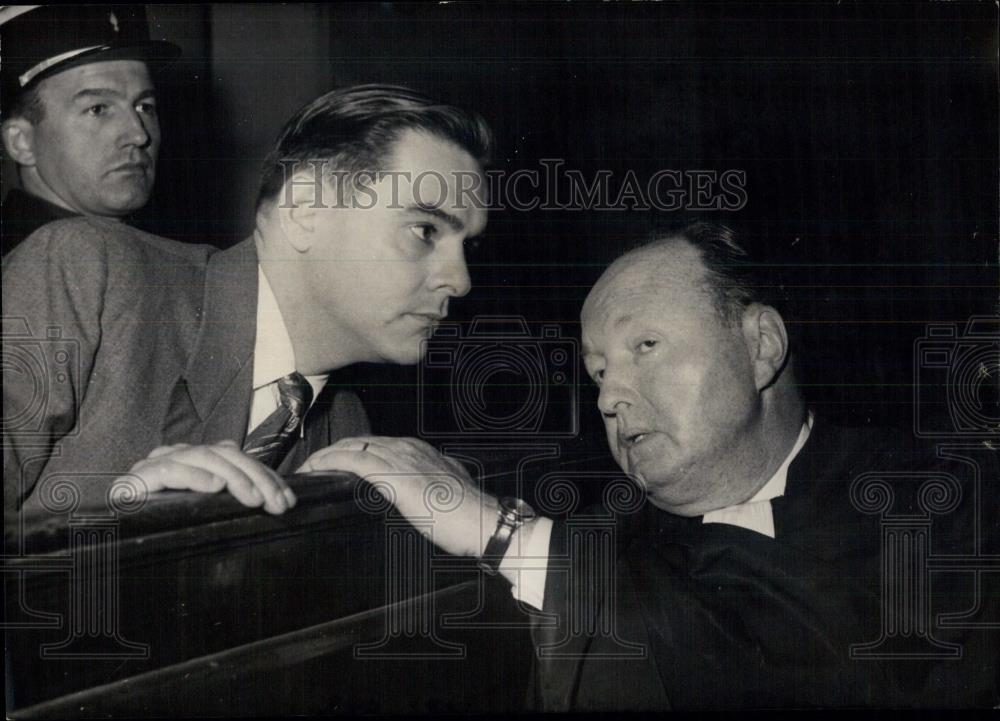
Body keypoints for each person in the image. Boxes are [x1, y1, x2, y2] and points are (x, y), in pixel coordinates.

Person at [300, 221, 999, 708]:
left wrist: (503, 532)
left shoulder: (937, 495)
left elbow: (812, 663)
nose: (610, 397)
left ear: (761, 346)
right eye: (598, 371)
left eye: (645, 348)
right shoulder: (605, 536)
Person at [3, 84, 491, 517]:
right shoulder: (89, 273)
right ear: (305, 209)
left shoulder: (349, 431)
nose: (460, 280)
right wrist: (115, 531)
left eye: (466, 246)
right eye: (425, 230)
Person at [0, 5, 180, 255]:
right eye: (98, 109)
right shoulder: (34, 263)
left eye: (144, 107)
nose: (139, 136)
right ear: (21, 142)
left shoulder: (117, 252)